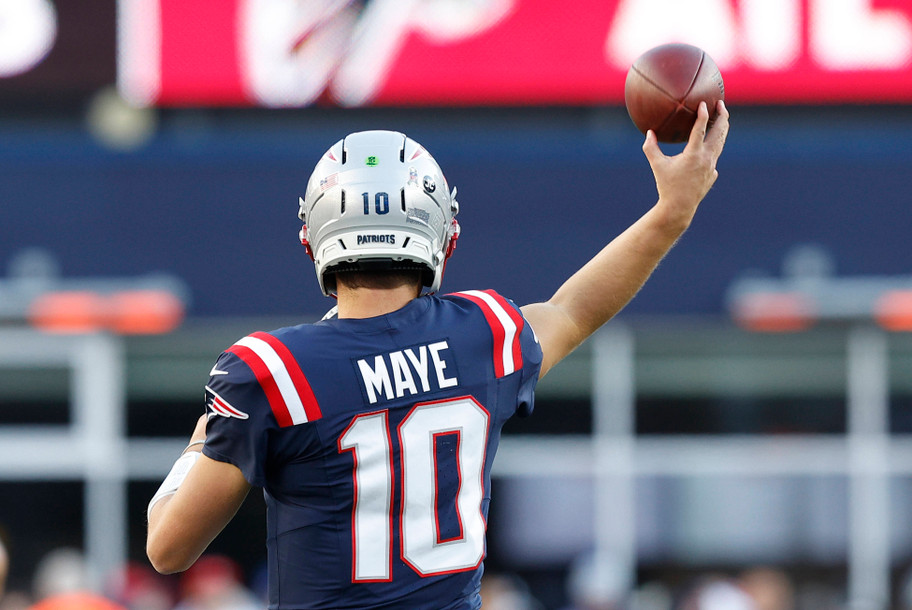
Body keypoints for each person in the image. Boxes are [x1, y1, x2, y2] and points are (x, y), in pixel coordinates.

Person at [146, 101, 729, 609]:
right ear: (442, 235)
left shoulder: (271, 369)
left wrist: (204, 437)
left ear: (312, 239)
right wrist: (672, 211)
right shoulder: (482, 333)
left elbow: (167, 547)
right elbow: (574, 311)